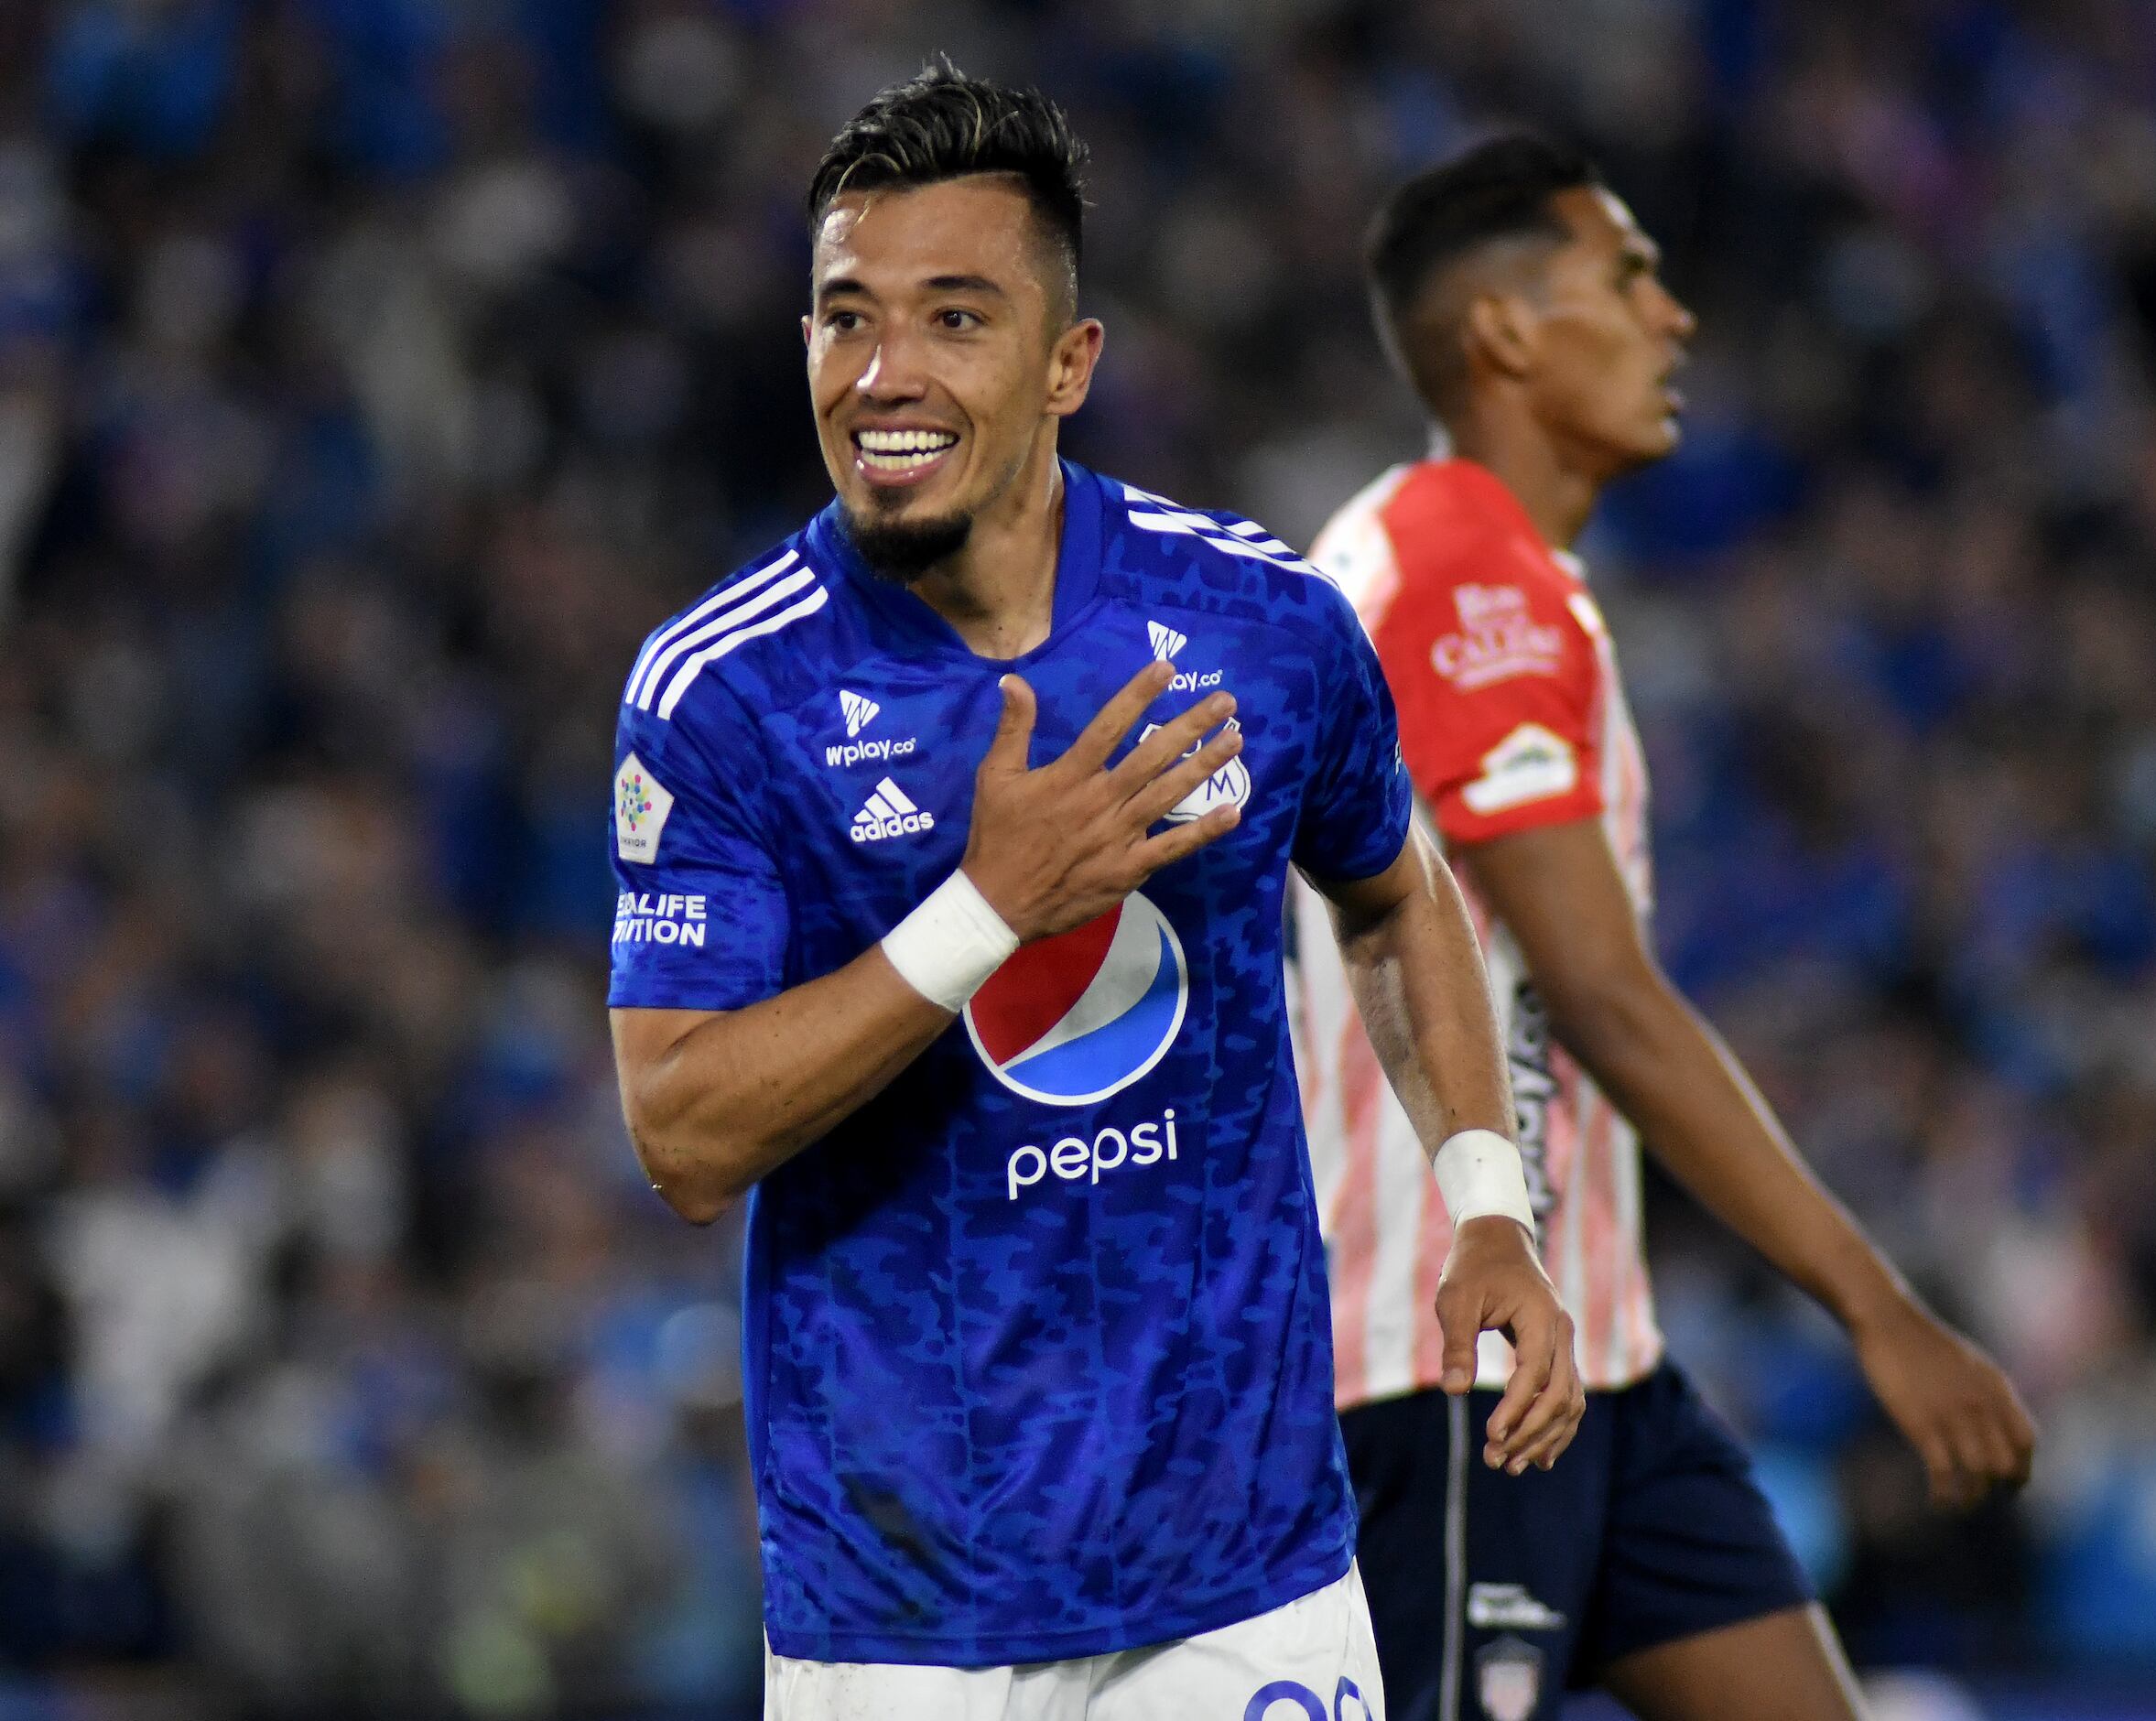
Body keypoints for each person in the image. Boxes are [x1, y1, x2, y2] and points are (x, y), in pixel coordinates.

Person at [604, 69, 1585, 1721]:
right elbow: (684, 1134)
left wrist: (1487, 1197)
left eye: (953, 319)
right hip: (897, 1617)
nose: (883, 375)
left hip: (1240, 1582)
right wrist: (987, 909)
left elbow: (1394, 892)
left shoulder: (1266, 628)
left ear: (1070, 366)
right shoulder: (724, 693)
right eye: (844, 319)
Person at [1288, 135, 2038, 1721]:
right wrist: (1876, 1307)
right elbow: (1604, 1000)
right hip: (1441, 1365)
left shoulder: (1495, 573)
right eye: (1628, 278)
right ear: (1502, 333)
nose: (1674, 318)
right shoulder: (1448, 574)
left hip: (1602, 1366)